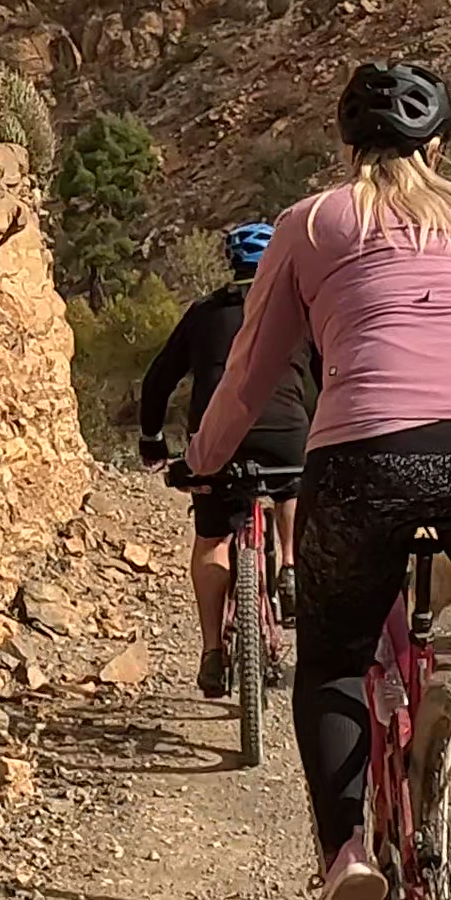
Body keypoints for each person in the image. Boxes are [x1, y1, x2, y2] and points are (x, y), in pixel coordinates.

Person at [187, 63, 451, 900]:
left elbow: (251, 369)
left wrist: (203, 461)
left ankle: (346, 857)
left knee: (335, 655)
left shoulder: (312, 222)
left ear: (346, 148)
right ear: (439, 148)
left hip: (365, 457)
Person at [138, 222, 314, 698]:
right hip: (286, 438)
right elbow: (327, 374)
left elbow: (159, 379)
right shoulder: (299, 310)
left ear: (231, 265)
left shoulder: (203, 314)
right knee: (292, 483)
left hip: (218, 439)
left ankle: (213, 652)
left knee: (212, 538)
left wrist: (152, 438)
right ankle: (290, 565)